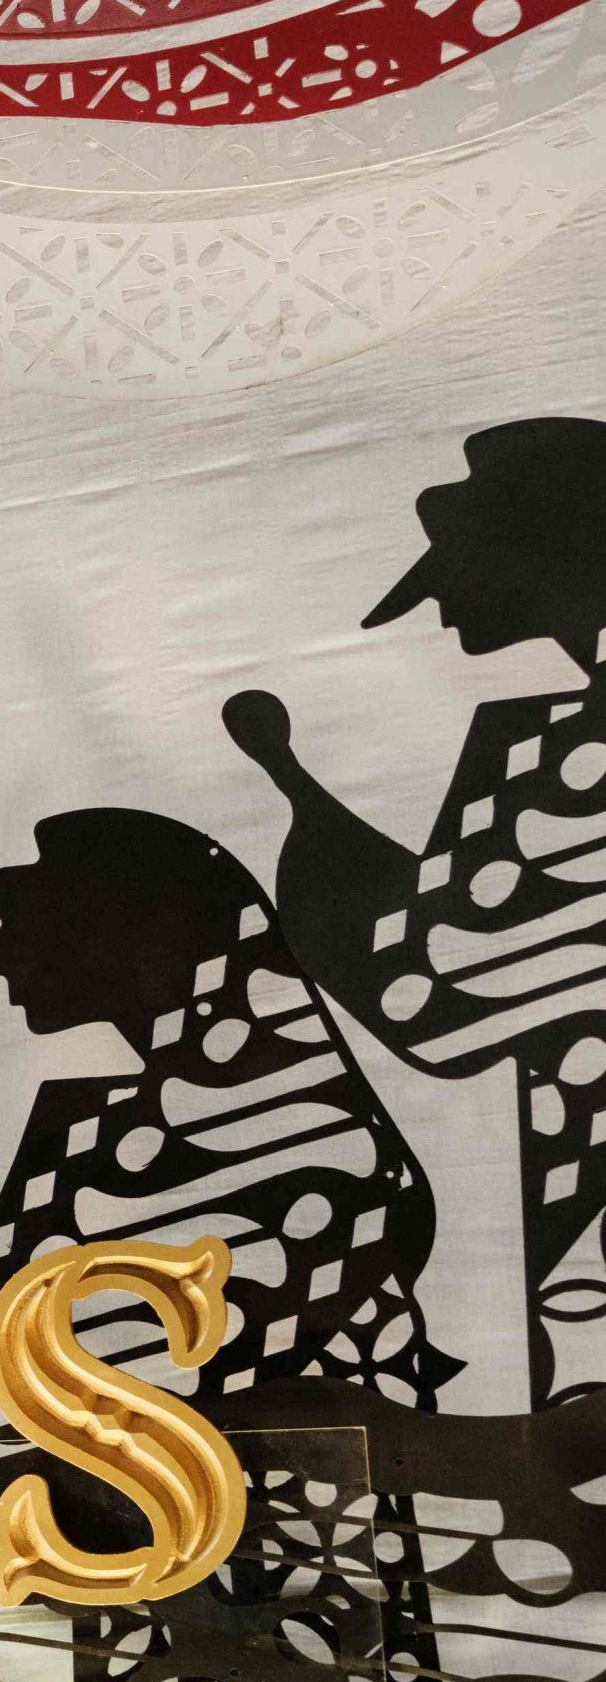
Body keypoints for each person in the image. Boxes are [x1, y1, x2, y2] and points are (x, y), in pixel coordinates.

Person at [0, 807, 455, 1426]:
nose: (9, 985)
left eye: (27, 955)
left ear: (117, 944)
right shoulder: (278, 1105)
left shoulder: (138, 1138)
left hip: (290, 1502)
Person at [231, 415, 606, 1408]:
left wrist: (317, 884)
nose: (441, 611)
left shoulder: (559, 746)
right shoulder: (542, 733)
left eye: (454, 573)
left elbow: (441, 999)